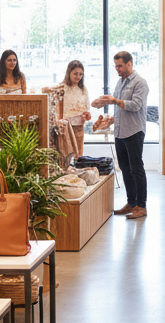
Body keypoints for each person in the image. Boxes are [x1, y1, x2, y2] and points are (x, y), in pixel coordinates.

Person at [93, 51, 150, 220]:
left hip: (134, 131)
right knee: (125, 169)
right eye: (115, 66)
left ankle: (142, 206)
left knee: (136, 169)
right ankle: (131, 203)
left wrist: (114, 101)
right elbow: (120, 108)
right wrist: (110, 120)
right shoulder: (120, 82)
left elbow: (135, 105)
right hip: (120, 132)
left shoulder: (140, 83)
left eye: (120, 66)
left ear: (129, 64)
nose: (117, 69)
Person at [56, 60, 90, 160]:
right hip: (65, 126)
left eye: (80, 74)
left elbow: (87, 106)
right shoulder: (62, 88)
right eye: (75, 73)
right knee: (64, 155)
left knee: (78, 155)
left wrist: (87, 115)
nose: (78, 76)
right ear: (69, 73)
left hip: (79, 125)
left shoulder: (83, 88)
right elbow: (56, 108)